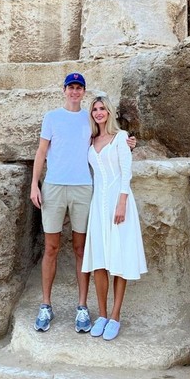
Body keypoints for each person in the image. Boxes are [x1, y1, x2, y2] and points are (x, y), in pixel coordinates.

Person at [30, 74, 135, 333]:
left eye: (79, 88)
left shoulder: (89, 121)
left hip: (83, 189)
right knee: (51, 247)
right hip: (54, 187)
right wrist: (35, 184)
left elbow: (110, 137)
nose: (74, 92)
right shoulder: (52, 117)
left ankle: (82, 307)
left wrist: (130, 142)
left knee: (81, 249)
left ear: (83, 92)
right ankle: (45, 304)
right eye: (71, 87)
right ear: (64, 90)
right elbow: (42, 151)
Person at [82, 94, 147, 341]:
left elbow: (126, 172)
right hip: (98, 205)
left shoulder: (121, 138)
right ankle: (102, 314)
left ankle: (116, 316)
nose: (98, 112)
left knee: (118, 259)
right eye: (95, 109)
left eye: (102, 108)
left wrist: (122, 203)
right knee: (99, 261)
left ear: (109, 112)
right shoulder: (90, 141)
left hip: (119, 204)